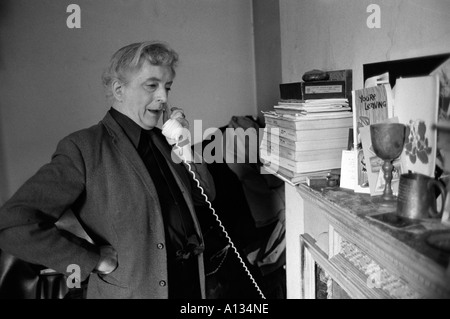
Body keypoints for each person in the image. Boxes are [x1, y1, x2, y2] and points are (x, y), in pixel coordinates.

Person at [0, 41, 215, 299]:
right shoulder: (82, 148)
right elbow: (12, 225)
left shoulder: (165, 140)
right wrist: (91, 260)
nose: (164, 98)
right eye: (152, 86)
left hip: (190, 287)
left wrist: (184, 145)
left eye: (167, 87)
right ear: (118, 89)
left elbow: (205, 198)